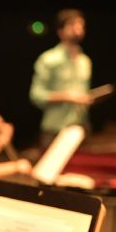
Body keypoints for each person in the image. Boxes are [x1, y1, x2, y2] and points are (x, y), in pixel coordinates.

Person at [29, 9, 92, 145]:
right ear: (60, 31)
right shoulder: (48, 59)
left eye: (81, 25)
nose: (77, 29)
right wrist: (67, 96)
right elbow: (36, 95)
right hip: (55, 129)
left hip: (80, 128)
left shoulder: (85, 61)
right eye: (72, 24)